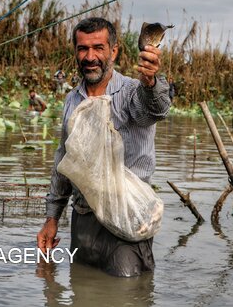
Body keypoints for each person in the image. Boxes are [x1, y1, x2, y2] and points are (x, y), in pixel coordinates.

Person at [37, 17, 171, 277]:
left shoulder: (133, 92)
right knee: (82, 289)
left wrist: (151, 82)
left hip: (128, 219)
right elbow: (64, 161)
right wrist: (52, 218)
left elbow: (156, 109)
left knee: (126, 292)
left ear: (114, 50)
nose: (90, 57)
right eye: (83, 49)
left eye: (98, 48)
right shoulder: (72, 99)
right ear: (75, 52)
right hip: (83, 219)